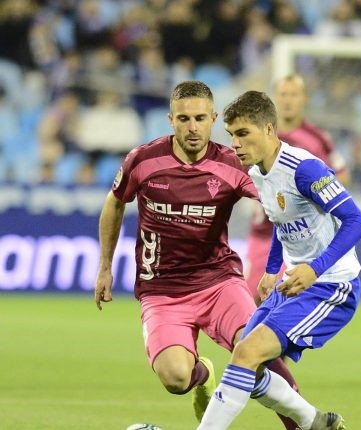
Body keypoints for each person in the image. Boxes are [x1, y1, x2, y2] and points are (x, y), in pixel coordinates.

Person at [93, 80, 299, 429]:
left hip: (219, 281)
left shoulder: (233, 164)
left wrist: (286, 261)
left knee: (259, 351)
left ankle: (304, 422)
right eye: (184, 119)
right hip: (162, 291)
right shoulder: (143, 161)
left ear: (214, 119)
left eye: (201, 118)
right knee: (175, 378)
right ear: (170, 119)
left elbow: (277, 202)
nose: (193, 128)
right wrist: (104, 267)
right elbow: (114, 203)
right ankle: (202, 376)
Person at [197, 90, 361, 430]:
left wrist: (314, 268)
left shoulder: (304, 169)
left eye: (243, 133)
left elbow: (357, 221)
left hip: (332, 286)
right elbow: (281, 220)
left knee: (247, 355)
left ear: (269, 130)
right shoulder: (258, 172)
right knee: (247, 360)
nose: (236, 143)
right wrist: (272, 269)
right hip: (291, 282)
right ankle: (314, 422)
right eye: (232, 135)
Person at [245, 73, 348, 304]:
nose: (288, 100)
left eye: (294, 95)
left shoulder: (318, 139)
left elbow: (341, 175)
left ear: (304, 99)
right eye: (283, 95)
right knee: (251, 305)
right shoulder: (257, 135)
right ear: (275, 99)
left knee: (290, 305)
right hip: (261, 235)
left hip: (300, 239)